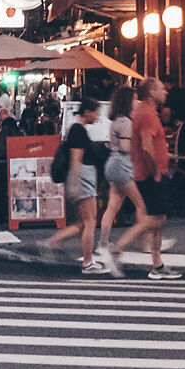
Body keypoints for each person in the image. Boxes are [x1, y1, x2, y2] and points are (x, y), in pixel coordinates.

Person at [111, 81, 179, 280]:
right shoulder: (148, 114)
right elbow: (147, 145)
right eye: (160, 88)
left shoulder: (145, 113)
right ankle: (118, 247)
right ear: (151, 93)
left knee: (158, 218)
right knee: (155, 219)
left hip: (146, 172)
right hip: (151, 175)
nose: (165, 91)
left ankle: (157, 265)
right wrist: (156, 170)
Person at [50, 98, 113, 273]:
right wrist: (75, 183)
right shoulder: (78, 130)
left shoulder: (78, 130)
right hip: (84, 177)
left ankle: (53, 242)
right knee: (89, 221)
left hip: (83, 177)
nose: (97, 117)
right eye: (95, 113)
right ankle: (87, 262)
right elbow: (76, 159)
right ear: (87, 112)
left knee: (84, 223)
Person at [93, 86, 141, 274]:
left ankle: (103, 244)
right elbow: (126, 147)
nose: (137, 102)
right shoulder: (126, 122)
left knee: (113, 206)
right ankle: (139, 241)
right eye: (134, 99)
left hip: (112, 164)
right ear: (127, 101)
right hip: (122, 165)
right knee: (142, 205)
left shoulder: (115, 121)